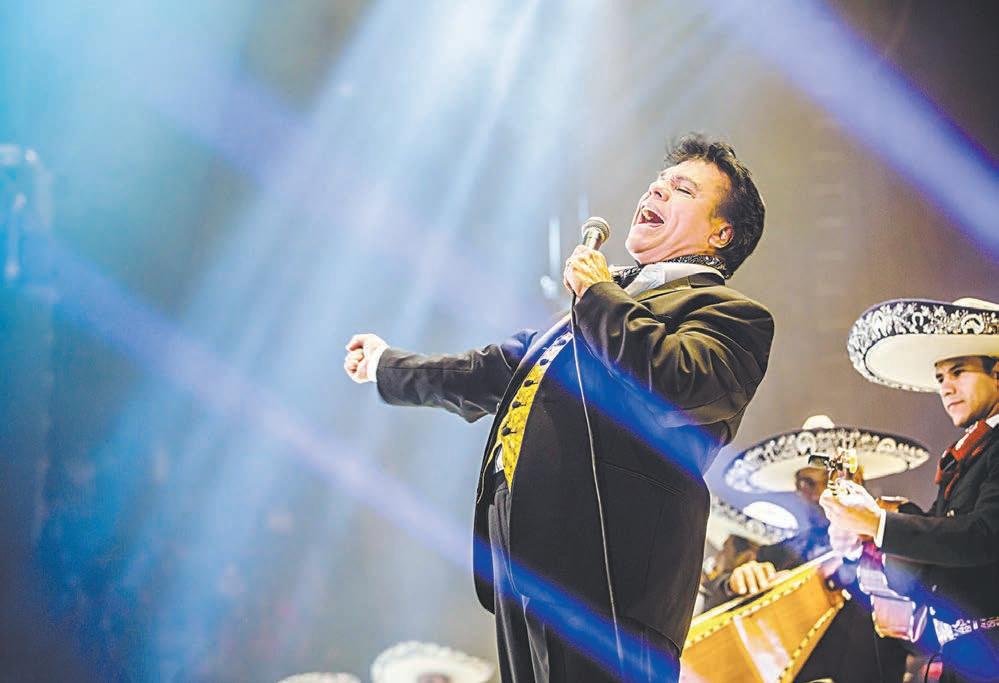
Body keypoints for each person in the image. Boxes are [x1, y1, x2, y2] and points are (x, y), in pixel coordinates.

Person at [344, 134, 774, 682]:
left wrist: (597, 294)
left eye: (682, 189)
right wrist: (387, 365)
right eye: (658, 183)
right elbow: (486, 372)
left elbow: (677, 383)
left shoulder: (730, 315)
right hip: (527, 558)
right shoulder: (595, 310)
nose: (657, 191)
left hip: (614, 576)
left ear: (720, 233)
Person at [822, 297, 999, 683]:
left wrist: (879, 523)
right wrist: (870, 535)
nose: (946, 388)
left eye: (958, 372)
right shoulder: (969, 454)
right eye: (940, 378)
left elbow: (984, 536)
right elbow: (939, 546)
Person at [704, 416, 922, 681]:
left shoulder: (893, 539)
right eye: (805, 484)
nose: (819, 494)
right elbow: (715, 607)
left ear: (857, 477)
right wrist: (735, 583)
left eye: (831, 478)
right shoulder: (777, 555)